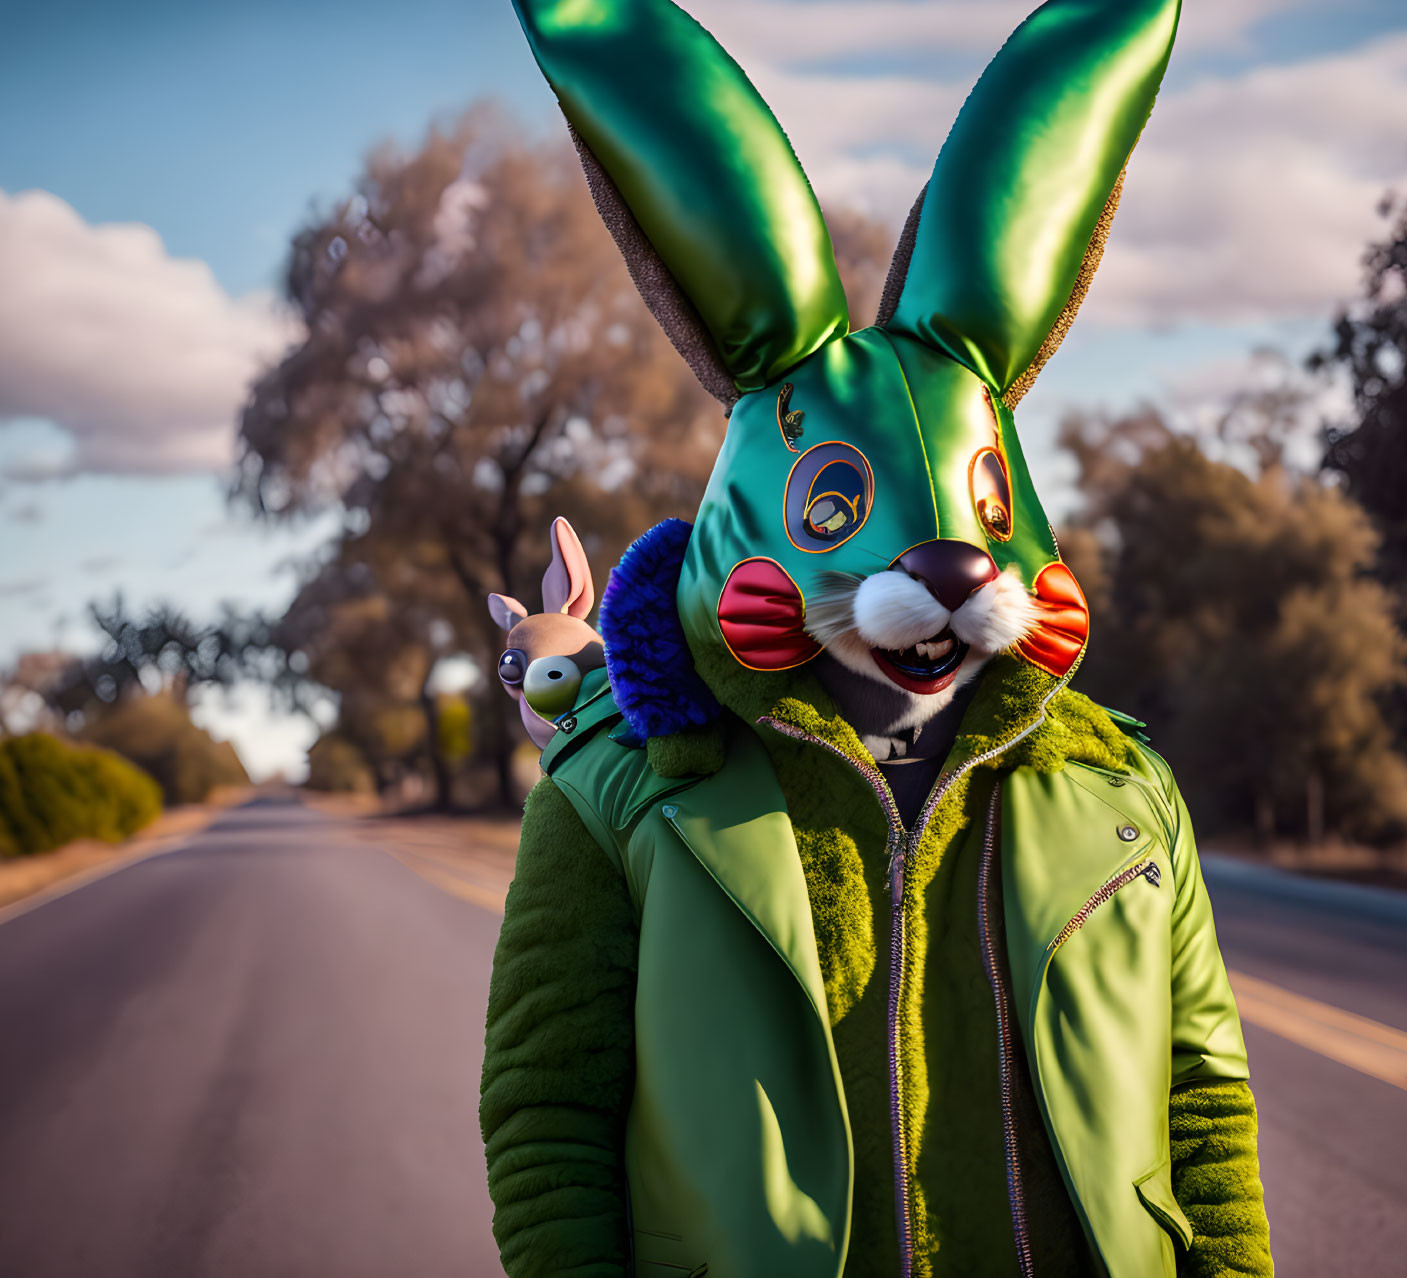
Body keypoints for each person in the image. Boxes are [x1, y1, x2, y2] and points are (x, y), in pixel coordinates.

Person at [481, 2, 1274, 1274]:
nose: (946, 572)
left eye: (980, 513)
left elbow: (1203, 1119)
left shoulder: (1125, 798)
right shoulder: (615, 798)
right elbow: (546, 1119)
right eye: (834, 508)